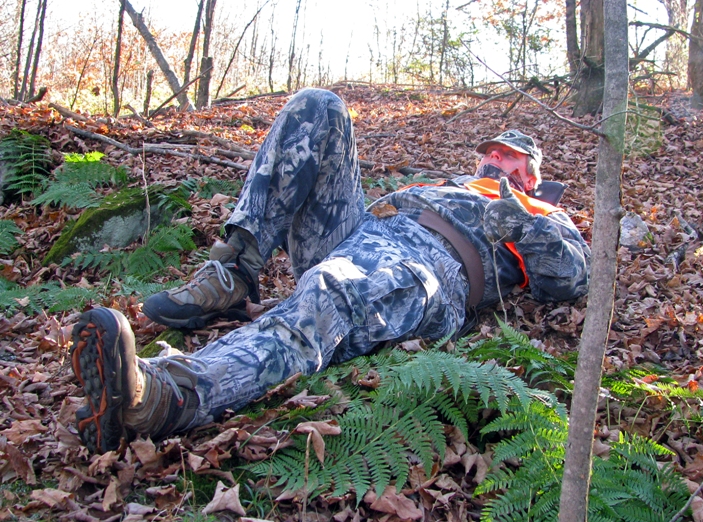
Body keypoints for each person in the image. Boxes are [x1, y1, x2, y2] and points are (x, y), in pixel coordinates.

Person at [70, 88, 590, 455]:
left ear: (532, 174)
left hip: (432, 267)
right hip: (365, 231)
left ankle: (168, 398)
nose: (497, 160)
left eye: (511, 157)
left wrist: (524, 225)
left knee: (331, 289)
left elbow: (571, 280)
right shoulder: (451, 184)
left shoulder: (546, 215)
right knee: (319, 107)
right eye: (493, 152)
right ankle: (236, 269)